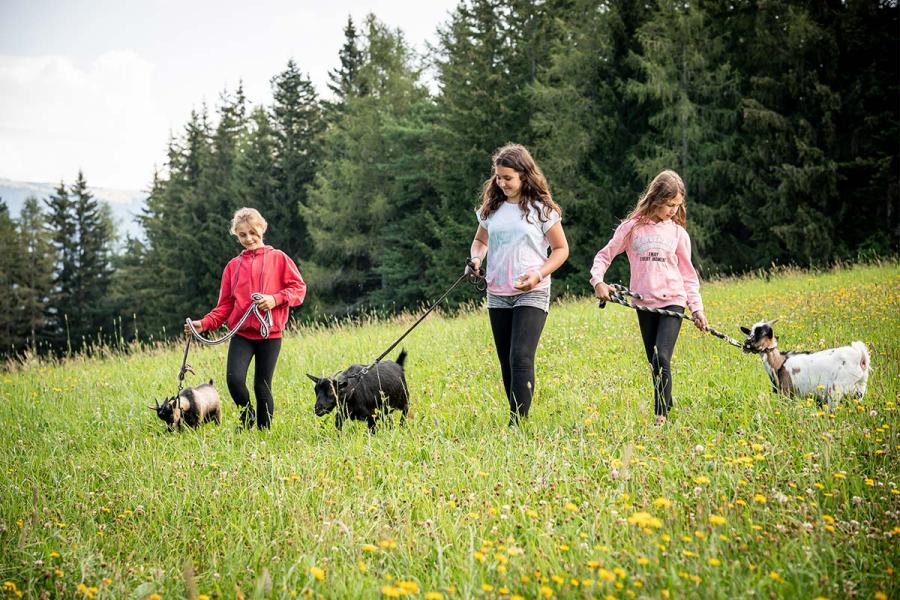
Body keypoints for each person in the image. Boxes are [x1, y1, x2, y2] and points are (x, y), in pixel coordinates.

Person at [590, 170, 708, 425]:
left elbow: (688, 274)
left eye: (677, 206)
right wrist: (598, 281)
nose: (673, 211)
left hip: (673, 300)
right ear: (655, 199)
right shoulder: (632, 228)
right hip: (644, 303)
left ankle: (661, 416)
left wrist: (696, 309)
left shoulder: (677, 233)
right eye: (669, 205)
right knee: (654, 362)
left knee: (661, 355)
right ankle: (668, 401)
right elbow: (604, 256)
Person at [466, 144, 569, 426]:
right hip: (497, 292)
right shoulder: (492, 208)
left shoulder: (542, 209)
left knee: (520, 356)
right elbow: (480, 241)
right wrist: (475, 259)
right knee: (505, 361)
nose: (502, 183)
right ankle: (515, 414)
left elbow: (561, 249)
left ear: (524, 175)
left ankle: (517, 422)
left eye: (508, 177)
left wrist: (538, 274)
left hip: (532, 291)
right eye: (498, 177)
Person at [185, 208, 306, 429]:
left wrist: (275, 299)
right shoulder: (233, 267)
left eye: (252, 232)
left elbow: (299, 289)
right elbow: (225, 306)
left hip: (270, 334)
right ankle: (247, 416)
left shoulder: (279, 258)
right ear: (236, 235)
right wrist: (203, 324)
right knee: (234, 380)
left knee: (262, 385)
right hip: (242, 335)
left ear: (262, 228)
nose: (248, 238)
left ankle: (264, 431)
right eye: (242, 235)